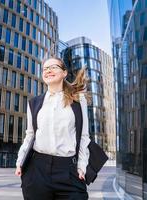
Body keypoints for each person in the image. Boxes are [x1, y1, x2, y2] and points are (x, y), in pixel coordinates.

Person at [15, 57, 90, 200]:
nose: (48, 70)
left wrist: (81, 166)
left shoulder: (78, 100)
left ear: (64, 73)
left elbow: (84, 136)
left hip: (68, 170)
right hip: (37, 170)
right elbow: (30, 136)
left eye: (53, 67)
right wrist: (20, 162)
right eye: (45, 69)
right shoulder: (34, 103)